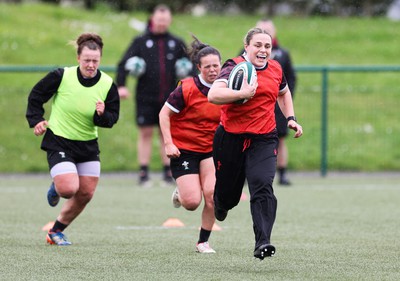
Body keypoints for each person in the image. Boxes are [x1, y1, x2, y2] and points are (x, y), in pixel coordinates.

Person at [208, 27, 303, 260]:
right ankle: (220, 204)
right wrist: (240, 93)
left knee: (262, 185)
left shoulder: (276, 68)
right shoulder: (233, 66)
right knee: (228, 196)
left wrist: (290, 118)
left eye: (267, 46)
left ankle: (263, 242)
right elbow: (213, 95)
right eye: (258, 45)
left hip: (263, 138)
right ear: (247, 46)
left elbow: (283, 92)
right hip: (231, 138)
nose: (263, 50)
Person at [26, 33, 120, 246]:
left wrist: (102, 114)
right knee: (69, 188)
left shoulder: (107, 84)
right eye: (86, 60)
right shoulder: (62, 75)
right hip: (59, 139)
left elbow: (111, 119)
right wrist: (36, 120)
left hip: (87, 143)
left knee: (86, 192)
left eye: (95, 60)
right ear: (78, 58)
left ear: (100, 60)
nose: (91, 64)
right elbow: (36, 95)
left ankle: (56, 231)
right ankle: (57, 186)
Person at [116, 4, 192, 186]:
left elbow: (192, 66)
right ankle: (143, 173)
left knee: (166, 134)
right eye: (159, 19)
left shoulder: (176, 42)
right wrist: (121, 86)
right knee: (146, 133)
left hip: (170, 98)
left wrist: (191, 82)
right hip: (145, 96)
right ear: (152, 18)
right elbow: (122, 64)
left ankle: (168, 173)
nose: (162, 23)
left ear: (170, 21)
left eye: (165, 20)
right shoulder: (140, 41)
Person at [159, 36, 221, 253]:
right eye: (208, 67)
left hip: (211, 151)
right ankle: (181, 192)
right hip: (184, 150)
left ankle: (202, 242)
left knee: (213, 195)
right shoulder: (186, 88)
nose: (213, 70)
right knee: (192, 202)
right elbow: (164, 114)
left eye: (216, 65)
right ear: (198, 68)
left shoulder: (226, 89)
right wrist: (168, 143)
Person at [240, 19, 297, 185]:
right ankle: (243, 173)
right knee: (245, 139)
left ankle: (282, 173)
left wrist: (286, 101)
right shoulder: (243, 56)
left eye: (268, 30)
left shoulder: (282, 54)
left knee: (279, 139)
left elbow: (290, 80)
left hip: (275, 106)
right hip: (251, 105)